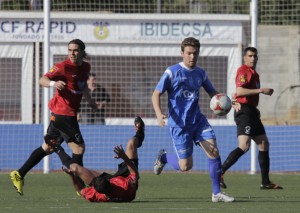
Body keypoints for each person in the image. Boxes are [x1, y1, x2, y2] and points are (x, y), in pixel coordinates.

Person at [10, 39, 100, 196]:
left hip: (61, 116)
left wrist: (91, 101)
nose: (72, 53)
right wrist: (53, 83)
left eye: (76, 50)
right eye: (70, 50)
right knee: (79, 148)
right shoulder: (62, 67)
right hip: (63, 114)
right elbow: (42, 80)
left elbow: (83, 85)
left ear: (82, 52)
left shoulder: (86, 67)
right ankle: (81, 187)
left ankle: (19, 174)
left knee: (48, 147)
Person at [151, 37, 235, 203]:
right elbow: (156, 94)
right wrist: (159, 115)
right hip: (179, 125)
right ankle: (164, 158)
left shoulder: (201, 74)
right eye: (189, 53)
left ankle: (216, 193)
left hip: (198, 121)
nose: (192, 57)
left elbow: (213, 94)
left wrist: (226, 101)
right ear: (182, 53)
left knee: (214, 152)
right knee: (185, 166)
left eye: (195, 53)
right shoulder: (172, 72)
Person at [220, 47, 283, 190]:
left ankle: (265, 182)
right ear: (245, 57)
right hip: (244, 112)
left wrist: (238, 97)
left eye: (255, 56)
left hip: (252, 112)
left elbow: (238, 93)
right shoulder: (243, 71)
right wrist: (261, 90)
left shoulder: (255, 74)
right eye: (250, 56)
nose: (252, 59)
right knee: (244, 145)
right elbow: (240, 90)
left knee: (263, 143)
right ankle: (220, 172)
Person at [53, 116, 145, 202]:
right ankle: (140, 133)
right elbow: (134, 173)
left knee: (74, 168)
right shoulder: (126, 186)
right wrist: (124, 157)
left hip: (110, 187)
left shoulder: (95, 194)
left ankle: (56, 147)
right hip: (125, 179)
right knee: (131, 143)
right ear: (109, 182)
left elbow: (81, 190)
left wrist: (73, 175)